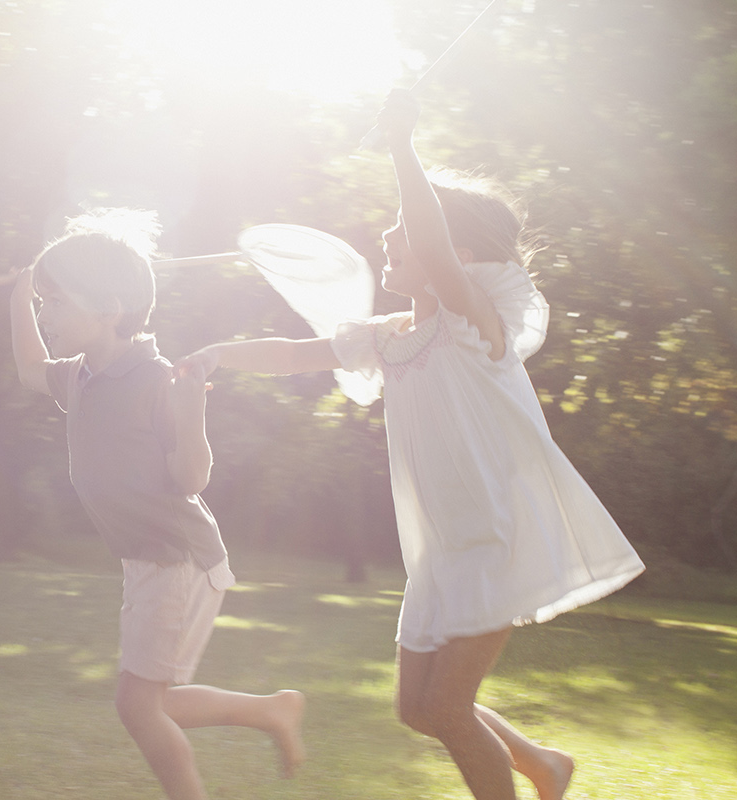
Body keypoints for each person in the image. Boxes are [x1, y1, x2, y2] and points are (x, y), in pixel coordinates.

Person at [176, 90, 644, 800]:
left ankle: (535, 777)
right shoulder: (392, 337)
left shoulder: (475, 325)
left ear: (455, 253)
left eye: (403, 227)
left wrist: (403, 147)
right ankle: (544, 764)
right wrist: (216, 353)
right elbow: (297, 354)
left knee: (449, 709)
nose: (390, 239)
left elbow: (429, 243)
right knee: (418, 710)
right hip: (441, 548)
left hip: (494, 537)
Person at [9, 208, 306, 800]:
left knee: (138, 707)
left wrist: (193, 410)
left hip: (178, 558)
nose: (47, 314)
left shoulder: (156, 378)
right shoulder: (83, 375)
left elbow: (191, 477)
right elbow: (29, 371)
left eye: (54, 302)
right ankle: (273, 712)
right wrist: (20, 293)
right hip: (147, 559)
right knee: (155, 702)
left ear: (107, 311)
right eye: (44, 303)